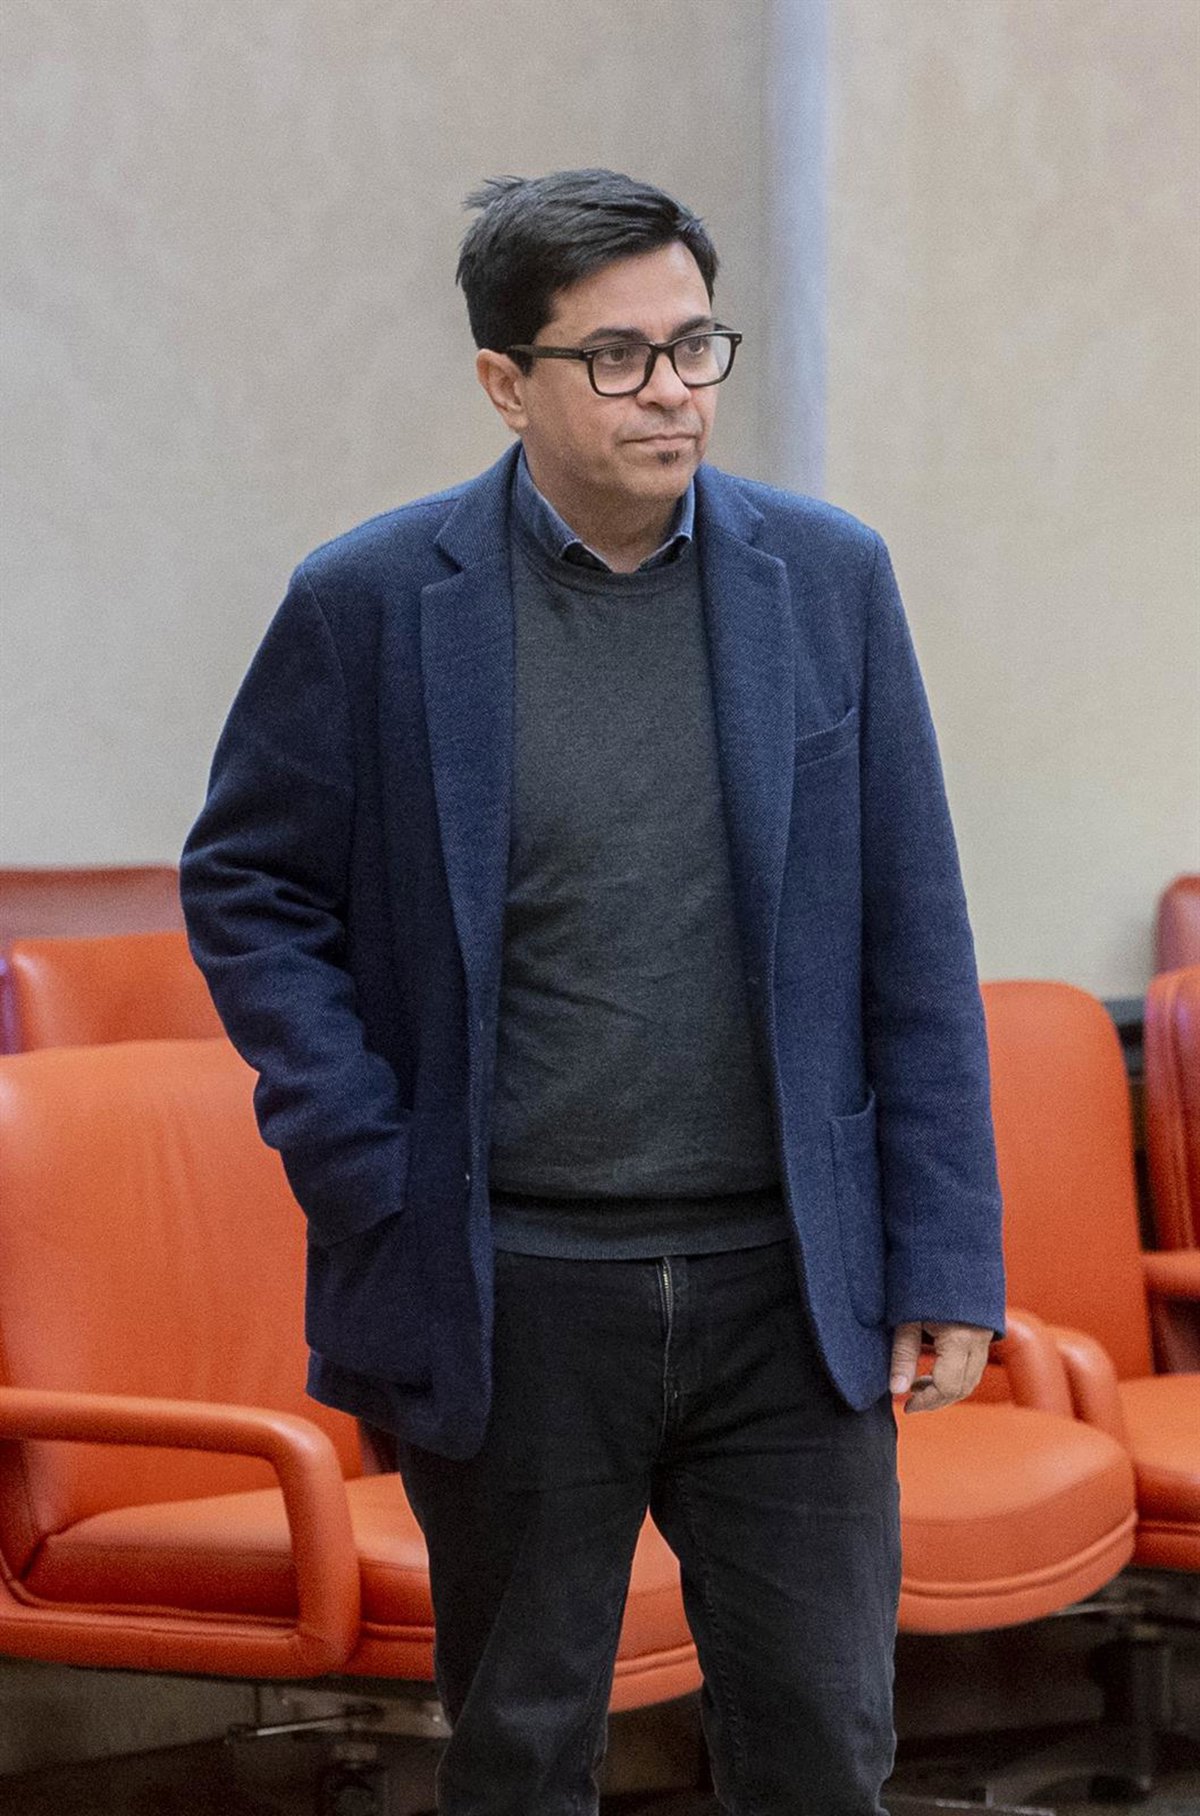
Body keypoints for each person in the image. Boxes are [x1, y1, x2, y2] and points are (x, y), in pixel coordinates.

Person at [180, 168, 1005, 1816]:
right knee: (524, 1749)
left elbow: (913, 926)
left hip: (791, 1284)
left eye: (696, 346)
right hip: (514, 1284)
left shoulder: (828, 578)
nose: (673, 391)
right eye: (618, 358)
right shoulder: (371, 601)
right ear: (508, 382)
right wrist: (365, 1164)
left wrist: (944, 1252)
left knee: (825, 1746)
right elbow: (248, 886)